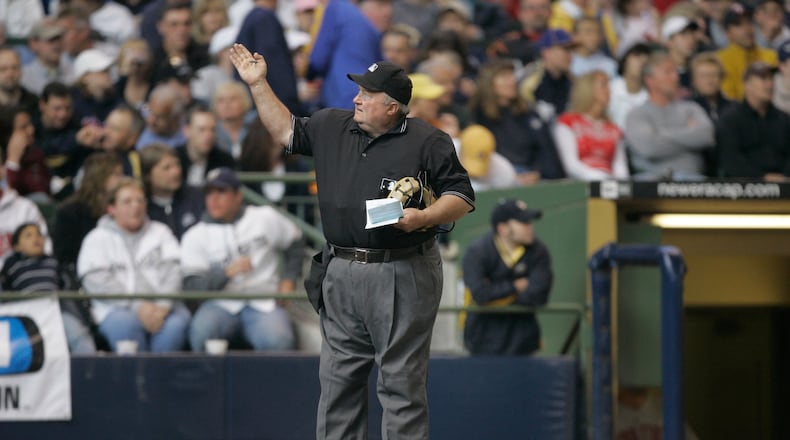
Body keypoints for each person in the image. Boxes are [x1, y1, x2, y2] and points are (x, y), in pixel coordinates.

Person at [229, 44, 474, 439]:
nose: (356, 98)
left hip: (403, 267)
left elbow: (462, 196)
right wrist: (258, 85)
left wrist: (426, 216)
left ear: (393, 108)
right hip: (341, 267)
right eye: (358, 90)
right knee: (338, 384)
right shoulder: (331, 124)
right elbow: (285, 131)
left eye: (368, 94)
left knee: (401, 384)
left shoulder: (429, 140)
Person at [181, 167, 302, 351]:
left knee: (279, 341)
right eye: (209, 193)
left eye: (221, 192)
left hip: (264, 300)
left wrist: (289, 279)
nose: (213, 199)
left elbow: (295, 241)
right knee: (201, 333)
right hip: (220, 303)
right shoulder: (195, 235)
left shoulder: (263, 217)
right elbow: (193, 286)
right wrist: (225, 274)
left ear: (238, 195)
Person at [77, 177, 190, 353]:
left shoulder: (161, 232)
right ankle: (137, 378)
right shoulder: (96, 238)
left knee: (176, 325)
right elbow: (96, 281)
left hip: (162, 307)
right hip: (116, 308)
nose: (135, 206)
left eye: (140, 200)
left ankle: (159, 378)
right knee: (124, 324)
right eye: (127, 201)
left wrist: (163, 306)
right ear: (111, 208)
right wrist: (137, 306)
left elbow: (174, 272)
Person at [462, 199, 553, 356]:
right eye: (523, 222)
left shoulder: (538, 251)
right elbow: (480, 294)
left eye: (530, 222)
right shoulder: (478, 252)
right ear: (503, 228)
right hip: (483, 342)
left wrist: (494, 293)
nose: (530, 227)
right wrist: (516, 287)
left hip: (524, 342)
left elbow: (539, 296)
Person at [1, 222, 96, 354]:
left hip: (55, 311)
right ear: (16, 247)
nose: (36, 238)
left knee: (77, 333)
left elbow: (66, 286)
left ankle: (89, 369)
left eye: (39, 235)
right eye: (28, 235)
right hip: (26, 314)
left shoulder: (53, 261)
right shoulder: (11, 264)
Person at [470, 58, 565, 182]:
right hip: (500, 178)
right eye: (504, 77)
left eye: (512, 76)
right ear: (489, 82)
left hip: (538, 176)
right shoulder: (480, 116)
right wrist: (512, 177)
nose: (512, 81)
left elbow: (546, 150)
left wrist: (539, 172)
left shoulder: (528, 113)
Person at [624, 51, 715, 179]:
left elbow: (706, 136)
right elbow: (649, 148)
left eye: (675, 72)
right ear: (650, 81)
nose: (676, 77)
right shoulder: (637, 115)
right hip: (652, 183)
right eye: (668, 72)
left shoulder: (691, 108)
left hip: (693, 181)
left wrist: (660, 133)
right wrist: (689, 133)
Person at [717, 62, 790, 180]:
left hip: (784, 187)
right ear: (747, 84)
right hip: (744, 189)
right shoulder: (731, 119)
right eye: (763, 79)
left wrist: (785, 177)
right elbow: (730, 160)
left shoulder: (783, 119)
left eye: (771, 79)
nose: (769, 85)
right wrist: (762, 177)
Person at [554, 70, 630, 180]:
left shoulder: (614, 129)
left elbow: (620, 168)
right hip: (580, 186)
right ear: (588, 89)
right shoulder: (567, 122)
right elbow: (570, 164)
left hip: (609, 186)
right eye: (603, 85)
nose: (609, 90)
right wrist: (597, 176)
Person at [140, 143, 204, 240]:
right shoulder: (141, 207)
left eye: (177, 164)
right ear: (148, 175)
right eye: (167, 168)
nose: (176, 172)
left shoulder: (197, 196)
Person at [717, 3, 778, 101]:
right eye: (738, 24)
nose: (746, 29)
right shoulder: (720, 61)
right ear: (728, 33)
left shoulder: (771, 56)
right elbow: (728, 98)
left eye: (749, 22)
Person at [174, 104, 236, 187]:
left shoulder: (225, 162)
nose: (208, 135)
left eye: (212, 130)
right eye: (201, 130)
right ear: (187, 131)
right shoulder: (174, 158)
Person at [0, 47, 38, 115]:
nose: (10, 74)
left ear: (21, 70)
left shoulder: (33, 102)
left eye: (14, 68)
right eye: (3, 69)